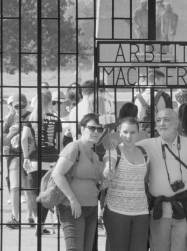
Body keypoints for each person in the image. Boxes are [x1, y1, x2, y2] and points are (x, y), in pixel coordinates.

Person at [136, 108, 187, 251]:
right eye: (158, 120)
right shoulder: (147, 145)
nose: (161, 123)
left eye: (166, 120)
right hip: (159, 212)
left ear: (176, 123)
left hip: (185, 209)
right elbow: (125, 147)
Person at [52, 113, 105, 251]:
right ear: (82, 129)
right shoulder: (73, 148)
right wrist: (72, 199)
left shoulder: (94, 154)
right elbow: (57, 174)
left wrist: (103, 183)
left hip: (91, 208)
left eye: (100, 129)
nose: (96, 132)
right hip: (72, 208)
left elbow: (96, 183)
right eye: (92, 128)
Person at [102, 117, 150, 251]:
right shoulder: (114, 151)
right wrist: (108, 171)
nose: (129, 136)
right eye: (125, 132)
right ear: (119, 132)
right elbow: (108, 165)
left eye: (133, 132)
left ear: (138, 133)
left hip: (141, 212)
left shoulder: (144, 153)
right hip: (117, 211)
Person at [22, 91, 62, 236]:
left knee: (34, 194)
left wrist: (26, 156)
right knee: (46, 193)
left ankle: (38, 222)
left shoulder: (30, 118)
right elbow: (60, 141)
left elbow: (23, 138)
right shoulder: (55, 119)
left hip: (33, 160)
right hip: (50, 160)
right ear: (49, 103)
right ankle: (41, 225)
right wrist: (60, 158)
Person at [3, 93, 34, 228]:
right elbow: (3, 141)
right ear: (12, 106)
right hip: (14, 155)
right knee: (15, 187)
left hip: (30, 156)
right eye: (16, 106)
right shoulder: (10, 119)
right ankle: (15, 217)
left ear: (26, 104)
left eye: (22, 106)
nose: (19, 109)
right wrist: (11, 133)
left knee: (29, 188)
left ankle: (30, 216)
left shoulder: (32, 117)